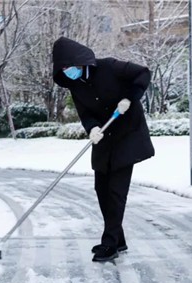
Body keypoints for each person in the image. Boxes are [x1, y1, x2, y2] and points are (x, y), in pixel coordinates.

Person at [52, 37, 155, 262]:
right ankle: (118, 238)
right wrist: (92, 128)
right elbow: (85, 114)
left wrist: (129, 98)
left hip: (128, 134)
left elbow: (143, 73)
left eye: (69, 67)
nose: (68, 72)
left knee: (116, 191)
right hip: (104, 138)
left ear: (79, 62)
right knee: (101, 189)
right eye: (64, 70)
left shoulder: (109, 66)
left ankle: (110, 244)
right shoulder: (75, 85)